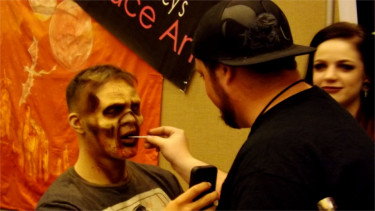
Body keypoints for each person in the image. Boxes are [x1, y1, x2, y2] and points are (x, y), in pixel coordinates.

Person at [144, 0, 375, 210]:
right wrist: (185, 160)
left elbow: (271, 181)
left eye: (204, 76)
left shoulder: (272, 160)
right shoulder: (323, 114)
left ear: (225, 72)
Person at [36, 65, 218, 210]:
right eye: (113, 110)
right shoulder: (60, 205)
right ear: (78, 123)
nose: (131, 119)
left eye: (135, 109)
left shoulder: (161, 179)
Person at [305, 22, 374, 140]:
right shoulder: (295, 130)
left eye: (345, 67)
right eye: (320, 66)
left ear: (366, 76)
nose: (329, 76)